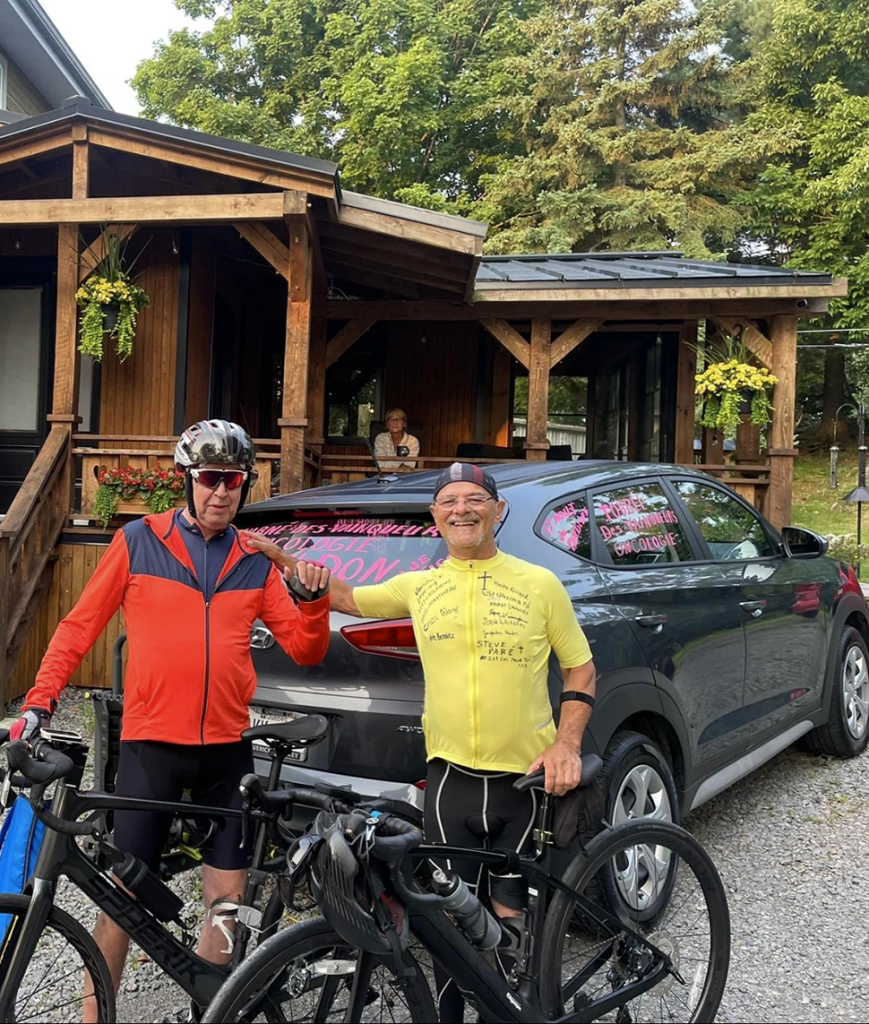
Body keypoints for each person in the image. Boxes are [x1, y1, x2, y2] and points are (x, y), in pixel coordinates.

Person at [245, 461, 595, 1023]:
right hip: (449, 781)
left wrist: (568, 745)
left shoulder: (540, 585)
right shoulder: (420, 586)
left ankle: (510, 1010)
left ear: (497, 510)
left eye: (475, 498)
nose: (462, 508)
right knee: (451, 925)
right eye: (450, 500)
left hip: (523, 782)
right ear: (436, 516)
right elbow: (348, 597)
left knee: (507, 920)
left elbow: (580, 669)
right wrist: (291, 565)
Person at [9, 419, 331, 1024]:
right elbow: (79, 628)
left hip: (226, 752)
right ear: (187, 480)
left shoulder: (254, 561)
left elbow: (305, 649)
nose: (221, 493)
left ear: (243, 487)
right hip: (151, 746)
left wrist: (311, 604)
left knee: (226, 901)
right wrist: (39, 701)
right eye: (210, 479)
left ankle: (210, 1011)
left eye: (233, 482)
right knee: (122, 900)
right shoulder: (138, 540)